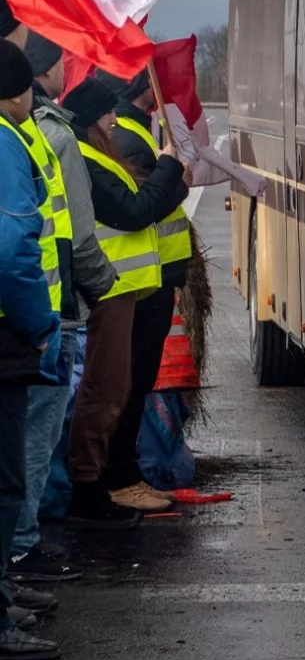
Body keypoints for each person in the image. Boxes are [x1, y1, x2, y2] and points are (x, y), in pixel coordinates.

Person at [9, 34, 111, 575]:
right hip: (47, 312)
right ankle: (23, 545)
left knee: (30, 434)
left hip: (40, 307)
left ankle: (23, 540)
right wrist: (96, 291)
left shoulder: (31, 132)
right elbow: (69, 230)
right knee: (36, 433)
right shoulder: (48, 136)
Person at [63, 78, 184, 524]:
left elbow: (145, 201)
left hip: (123, 289)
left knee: (114, 389)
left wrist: (168, 176)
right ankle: (91, 489)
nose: (114, 118)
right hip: (108, 290)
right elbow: (134, 210)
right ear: (91, 120)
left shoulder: (99, 154)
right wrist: (169, 166)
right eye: (106, 113)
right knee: (105, 392)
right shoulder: (88, 159)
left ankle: (100, 483)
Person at [0, 42, 63, 659]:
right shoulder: (6, 142)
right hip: (10, 334)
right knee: (6, 480)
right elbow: (12, 248)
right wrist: (40, 324)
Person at [109, 78, 195, 514]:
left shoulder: (136, 128)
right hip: (140, 283)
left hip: (153, 278)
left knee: (132, 384)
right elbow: (144, 206)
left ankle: (124, 476)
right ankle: (119, 479)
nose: (109, 119)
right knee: (127, 386)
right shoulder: (128, 137)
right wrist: (171, 171)